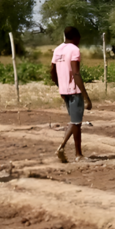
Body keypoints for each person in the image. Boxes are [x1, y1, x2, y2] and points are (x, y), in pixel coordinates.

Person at [50, 26, 92, 162]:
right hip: (74, 91)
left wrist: (60, 86)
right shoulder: (74, 50)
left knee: (75, 122)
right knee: (76, 122)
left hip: (64, 91)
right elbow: (76, 73)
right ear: (76, 37)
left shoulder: (57, 50)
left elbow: (52, 71)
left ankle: (69, 150)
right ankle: (74, 153)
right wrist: (86, 97)